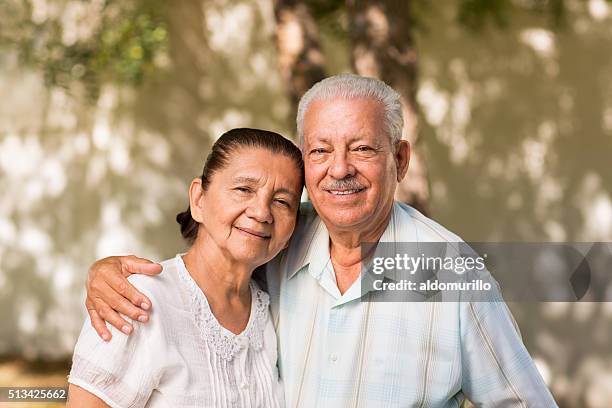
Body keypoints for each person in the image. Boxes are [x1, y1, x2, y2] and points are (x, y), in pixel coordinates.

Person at [84, 75, 558, 406]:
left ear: (401, 160)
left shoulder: (452, 274)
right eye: (320, 151)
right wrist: (105, 271)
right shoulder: (280, 234)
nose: (339, 169)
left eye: (363, 148)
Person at [68, 128, 304, 407]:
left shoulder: (271, 312)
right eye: (244, 189)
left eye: (281, 201)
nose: (262, 212)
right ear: (198, 199)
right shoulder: (138, 301)